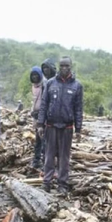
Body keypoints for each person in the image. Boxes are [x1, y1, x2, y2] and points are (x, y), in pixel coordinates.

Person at [37, 56, 83, 195]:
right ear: (59, 66)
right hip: (50, 125)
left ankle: (62, 184)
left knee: (64, 157)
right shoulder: (50, 84)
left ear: (71, 67)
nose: (64, 68)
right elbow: (44, 104)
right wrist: (40, 124)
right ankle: (47, 182)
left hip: (67, 127)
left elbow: (78, 108)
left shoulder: (77, 86)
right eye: (62, 65)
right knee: (49, 156)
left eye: (67, 66)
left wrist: (79, 128)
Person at [30, 66, 45, 169]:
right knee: (38, 140)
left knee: (44, 140)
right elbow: (34, 101)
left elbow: (45, 102)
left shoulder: (44, 85)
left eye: (36, 75)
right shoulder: (34, 86)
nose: (35, 77)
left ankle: (45, 161)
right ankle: (36, 160)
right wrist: (32, 112)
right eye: (33, 75)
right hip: (36, 116)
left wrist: (40, 114)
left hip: (43, 117)